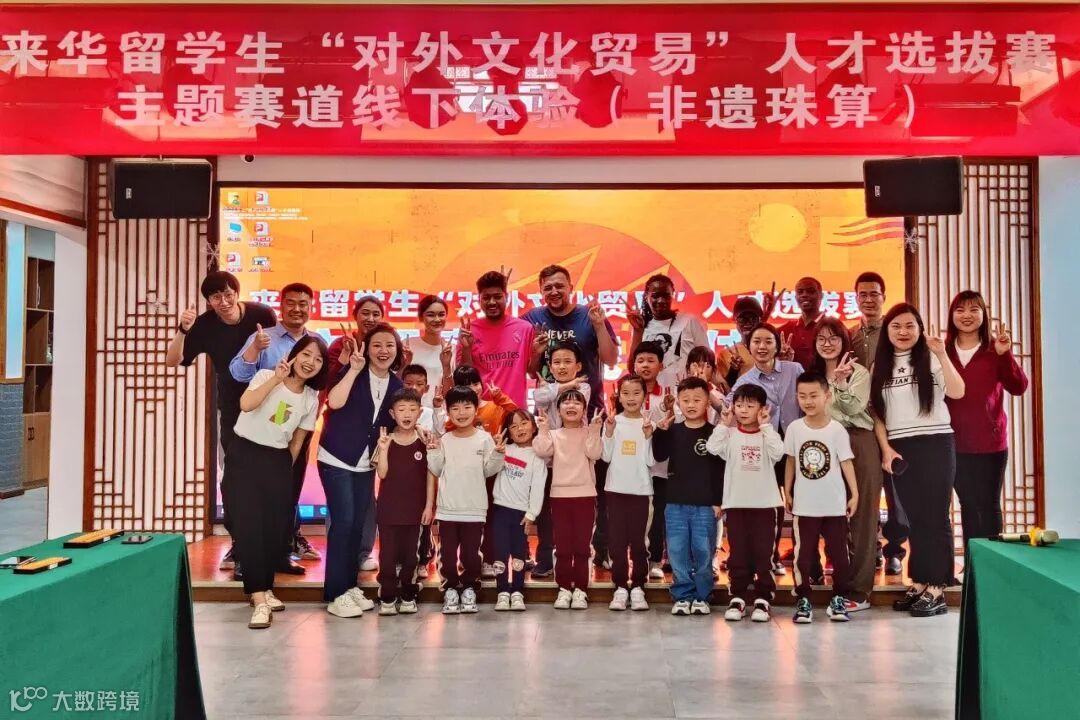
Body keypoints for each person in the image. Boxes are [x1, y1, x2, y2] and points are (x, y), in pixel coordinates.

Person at [165, 271, 277, 577]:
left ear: (237, 293)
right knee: (235, 479)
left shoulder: (262, 314)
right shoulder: (204, 324)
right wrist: (182, 330)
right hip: (232, 411)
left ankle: (279, 544)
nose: (224, 302)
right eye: (216, 297)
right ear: (209, 301)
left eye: (229, 295)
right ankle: (240, 543)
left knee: (274, 477)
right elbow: (173, 361)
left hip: (269, 405)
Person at [223, 336, 326, 629]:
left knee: (272, 529)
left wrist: (282, 471)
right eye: (306, 354)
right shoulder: (266, 376)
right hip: (245, 454)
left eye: (318, 359)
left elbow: (298, 441)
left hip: (278, 461)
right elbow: (246, 404)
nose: (310, 363)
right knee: (248, 526)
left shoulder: (311, 398)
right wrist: (276, 380)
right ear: (294, 354)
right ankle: (258, 598)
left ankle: (265, 588)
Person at [871, 303, 965, 618]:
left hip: (936, 441)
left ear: (920, 329)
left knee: (935, 516)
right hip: (900, 446)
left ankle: (938, 587)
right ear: (887, 331)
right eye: (896, 326)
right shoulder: (880, 365)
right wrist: (886, 449)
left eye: (910, 325)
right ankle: (922, 581)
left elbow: (958, 391)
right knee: (914, 518)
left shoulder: (931, 358)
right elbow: (877, 414)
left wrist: (942, 354)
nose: (903, 331)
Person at [525, 265, 618, 571]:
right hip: (549, 427)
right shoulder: (531, 318)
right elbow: (529, 370)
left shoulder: (588, 316)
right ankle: (546, 556)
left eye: (559, 286)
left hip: (589, 420)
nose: (554, 292)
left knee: (596, 490)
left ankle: (600, 550)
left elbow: (611, 359)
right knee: (547, 492)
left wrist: (600, 325)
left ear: (570, 287)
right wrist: (537, 354)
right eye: (547, 287)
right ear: (541, 290)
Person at [230, 282, 327, 574]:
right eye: (291, 303)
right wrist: (254, 349)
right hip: (254, 436)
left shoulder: (315, 342)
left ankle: (280, 553)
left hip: (286, 438)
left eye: (303, 304)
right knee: (249, 505)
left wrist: (286, 464)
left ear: (311, 308)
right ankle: (246, 559)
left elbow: (316, 388)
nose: (297, 309)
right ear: (281, 304)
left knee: (284, 499)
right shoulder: (264, 338)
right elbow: (239, 375)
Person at [318, 322, 404, 618]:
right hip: (336, 458)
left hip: (365, 463)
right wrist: (353, 369)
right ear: (366, 349)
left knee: (357, 525)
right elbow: (334, 402)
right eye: (377, 345)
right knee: (343, 523)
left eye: (389, 345)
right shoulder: (353, 371)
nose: (383, 351)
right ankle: (335, 594)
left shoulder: (397, 385)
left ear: (397, 351)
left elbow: (394, 426)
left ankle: (349, 585)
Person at [944, 291, 1028, 551]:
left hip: (991, 444)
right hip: (955, 444)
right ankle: (972, 563)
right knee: (968, 506)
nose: (967, 315)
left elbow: (1019, 387)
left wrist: (1005, 354)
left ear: (983, 314)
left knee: (989, 505)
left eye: (974, 309)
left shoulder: (994, 349)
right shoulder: (943, 351)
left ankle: (992, 563)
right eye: (960, 310)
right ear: (952, 315)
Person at [812, 317, 881, 612]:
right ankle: (840, 584)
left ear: (844, 341)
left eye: (834, 338)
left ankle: (860, 591)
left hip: (858, 440)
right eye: (821, 339)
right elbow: (812, 409)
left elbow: (854, 408)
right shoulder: (813, 375)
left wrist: (839, 384)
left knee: (863, 515)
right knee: (831, 515)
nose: (827, 344)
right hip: (823, 444)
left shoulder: (859, 372)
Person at [728, 323, 805, 575]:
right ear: (749, 347)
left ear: (777, 346)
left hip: (796, 445)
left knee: (801, 502)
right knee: (771, 504)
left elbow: (808, 396)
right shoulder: (745, 380)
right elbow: (729, 407)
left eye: (768, 341)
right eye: (757, 342)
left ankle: (805, 559)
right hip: (765, 446)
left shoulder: (794, 369)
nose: (762, 347)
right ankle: (770, 557)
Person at [784, 372, 860, 624]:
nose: (808, 401)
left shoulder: (837, 429)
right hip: (805, 506)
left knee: (839, 555)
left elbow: (846, 462)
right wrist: (788, 491)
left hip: (834, 505)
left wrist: (854, 493)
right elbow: (791, 461)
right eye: (802, 396)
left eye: (813, 395)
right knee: (802, 556)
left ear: (827, 396)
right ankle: (803, 599)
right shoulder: (795, 428)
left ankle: (839, 598)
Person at [707, 384, 785, 623]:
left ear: (763, 408)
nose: (743, 410)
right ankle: (738, 596)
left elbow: (778, 452)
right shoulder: (730, 435)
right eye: (739, 405)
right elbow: (712, 447)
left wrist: (766, 425)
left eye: (750, 406)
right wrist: (723, 423)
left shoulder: (767, 434)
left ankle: (763, 598)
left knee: (764, 554)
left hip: (765, 506)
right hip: (736, 504)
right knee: (738, 553)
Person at [427, 386, 507, 615]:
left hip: (474, 508)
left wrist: (498, 454)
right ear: (448, 411)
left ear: (476, 409)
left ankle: (470, 587)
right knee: (448, 555)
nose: (461, 412)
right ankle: (450, 589)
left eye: (467, 407)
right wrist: (433, 451)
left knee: (472, 555)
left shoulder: (484, 439)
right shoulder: (445, 439)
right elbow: (436, 469)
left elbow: (489, 470)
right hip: (448, 509)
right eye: (455, 408)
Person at [850, 271, 908, 576]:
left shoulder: (895, 331)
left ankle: (894, 550)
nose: (869, 299)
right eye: (863, 294)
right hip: (861, 423)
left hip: (894, 420)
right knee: (864, 490)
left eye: (874, 293)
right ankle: (869, 548)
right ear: (856, 298)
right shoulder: (850, 335)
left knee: (895, 490)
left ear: (884, 296)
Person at [651, 376, 724, 616]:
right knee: (677, 551)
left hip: (705, 504)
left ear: (707, 402)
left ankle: (702, 596)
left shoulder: (715, 433)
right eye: (686, 400)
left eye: (697, 399)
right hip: (675, 502)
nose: (691, 404)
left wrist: (718, 501)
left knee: (703, 551)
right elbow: (659, 456)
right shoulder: (672, 431)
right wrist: (660, 432)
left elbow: (720, 470)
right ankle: (682, 595)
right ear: (678, 403)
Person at [325, 294, 387, 573]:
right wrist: (344, 360)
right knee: (340, 503)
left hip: (372, 436)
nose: (370, 318)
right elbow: (328, 385)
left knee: (366, 499)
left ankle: (363, 552)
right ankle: (340, 556)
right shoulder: (341, 345)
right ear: (355, 316)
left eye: (376, 313)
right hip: (342, 435)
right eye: (365, 313)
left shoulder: (385, 345)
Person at [533, 390, 604, 611]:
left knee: (582, 547)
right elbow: (541, 450)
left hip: (585, 495)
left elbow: (595, 453)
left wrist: (595, 430)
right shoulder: (553, 434)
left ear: (584, 409)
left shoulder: (588, 432)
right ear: (558, 409)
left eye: (577, 403)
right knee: (562, 546)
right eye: (566, 402)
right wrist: (543, 428)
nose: (571, 406)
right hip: (559, 496)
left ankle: (581, 589)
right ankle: (564, 588)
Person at [529, 339, 590, 579]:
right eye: (557, 362)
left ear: (578, 366)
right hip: (547, 460)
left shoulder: (583, 387)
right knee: (546, 514)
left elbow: (569, 399)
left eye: (567, 362)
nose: (562, 367)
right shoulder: (549, 387)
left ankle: (574, 560)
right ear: (550, 366)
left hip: (572, 463)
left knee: (572, 517)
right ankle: (545, 559)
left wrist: (560, 388)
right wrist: (559, 387)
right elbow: (538, 397)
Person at [372, 389, 435, 616]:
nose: (407, 414)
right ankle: (387, 596)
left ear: (419, 412)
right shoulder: (385, 440)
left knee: (411, 556)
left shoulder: (424, 441)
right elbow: (382, 474)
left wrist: (429, 506)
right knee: (387, 556)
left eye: (412, 409)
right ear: (392, 413)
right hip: (388, 511)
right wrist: (384, 449)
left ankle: (409, 594)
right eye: (401, 409)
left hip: (415, 511)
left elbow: (431, 476)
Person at [602, 375, 655, 612]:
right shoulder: (613, 421)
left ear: (644, 395)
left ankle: (639, 586)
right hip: (615, 490)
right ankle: (621, 586)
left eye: (636, 393)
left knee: (639, 542)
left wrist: (648, 435)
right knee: (617, 542)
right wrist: (609, 431)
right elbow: (605, 456)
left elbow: (651, 461)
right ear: (618, 396)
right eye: (626, 393)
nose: (631, 398)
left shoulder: (648, 423)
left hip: (641, 491)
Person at [491, 410, 546, 612]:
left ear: (533, 426)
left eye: (524, 423)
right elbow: (491, 467)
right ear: (508, 431)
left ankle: (517, 591)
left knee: (518, 554)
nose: (520, 429)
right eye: (513, 426)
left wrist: (532, 514)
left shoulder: (537, 457)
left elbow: (538, 488)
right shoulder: (505, 449)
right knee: (500, 552)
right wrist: (496, 451)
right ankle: (502, 592)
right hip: (500, 509)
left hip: (521, 514)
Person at [458, 271, 534, 408]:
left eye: (497, 297)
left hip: (516, 411)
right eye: (486, 298)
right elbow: (464, 377)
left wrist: (538, 352)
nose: (492, 302)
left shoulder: (524, 329)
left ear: (507, 297)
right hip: (482, 410)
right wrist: (466, 348)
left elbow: (533, 372)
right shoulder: (469, 331)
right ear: (479, 299)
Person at [632, 341, 676, 579]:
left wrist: (668, 411)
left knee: (658, 515)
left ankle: (655, 560)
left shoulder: (668, 396)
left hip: (659, 468)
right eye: (640, 361)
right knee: (633, 516)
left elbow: (670, 427)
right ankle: (631, 559)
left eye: (651, 361)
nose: (645, 365)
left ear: (661, 366)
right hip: (632, 467)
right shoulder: (626, 394)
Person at [627, 274, 709, 388]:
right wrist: (637, 331)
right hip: (652, 394)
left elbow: (707, 362)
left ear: (672, 295)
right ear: (646, 297)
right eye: (655, 296)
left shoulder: (689, 321)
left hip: (685, 394)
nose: (661, 301)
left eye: (666, 296)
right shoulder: (641, 327)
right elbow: (632, 369)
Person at [403, 295, 454, 407]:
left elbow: (452, 392)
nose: (437, 319)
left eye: (441, 314)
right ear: (421, 317)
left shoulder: (452, 349)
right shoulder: (408, 345)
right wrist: (405, 363)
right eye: (431, 315)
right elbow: (397, 382)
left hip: (440, 411)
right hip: (410, 411)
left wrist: (446, 366)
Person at [779, 277, 825, 371]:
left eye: (810, 291)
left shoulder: (834, 327)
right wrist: (766, 314)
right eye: (800, 292)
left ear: (821, 295)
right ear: (795, 297)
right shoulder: (785, 330)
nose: (804, 295)